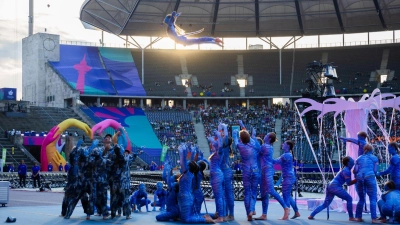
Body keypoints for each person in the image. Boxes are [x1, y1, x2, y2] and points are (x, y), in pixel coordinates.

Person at [308, 156, 357, 221]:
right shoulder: (347, 171)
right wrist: (358, 179)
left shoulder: (345, 169)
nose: (353, 160)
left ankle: (311, 215)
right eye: (351, 159)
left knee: (325, 204)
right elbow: (349, 183)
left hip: (330, 186)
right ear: (348, 163)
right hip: (335, 186)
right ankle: (351, 217)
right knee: (349, 198)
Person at [257, 132, 290, 220]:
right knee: (264, 193)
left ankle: (286, 208)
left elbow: (257, 152)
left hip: (267, 170)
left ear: (269, 139)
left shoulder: (265, 146)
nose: (264, 136)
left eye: (266, 135)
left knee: (270, 190)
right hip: (265, 170)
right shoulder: (269, 147)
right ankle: (264, 214)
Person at [232, 126, 261, 221]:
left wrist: (235, 134)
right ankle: (252, 209)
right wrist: (253, 134)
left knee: (247, 192)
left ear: (241, 139)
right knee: (253, 191)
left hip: (246, 171)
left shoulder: (240, 146)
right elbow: (253, 140)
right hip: (255, 170)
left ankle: (248, 212)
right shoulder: (253, 143)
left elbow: (236, 141)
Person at [354, 144, 381, 223]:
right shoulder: (374, 158)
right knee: (373, 198)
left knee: (361, 199)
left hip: (359, 178)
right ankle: (373, 218)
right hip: (370, 177)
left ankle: (359, 217)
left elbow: (355, 170)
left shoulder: (358, 158)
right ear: (371, 150)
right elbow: (375, 171)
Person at [274, 140, 300, 219]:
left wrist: (266, 157)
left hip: (288, 177)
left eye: (284, 143)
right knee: (288, 196)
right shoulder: (287, 154)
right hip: (289, 177)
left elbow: (275, 161)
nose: (282, 144)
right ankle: (296, 211)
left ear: (288, 146)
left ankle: (286, 215)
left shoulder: (286, 155)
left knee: (285, 196)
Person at [218, 123, 235, 221]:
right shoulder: (227, 147)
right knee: (228, 193)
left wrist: (224, 127)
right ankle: (229, 214)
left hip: (224, 171)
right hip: (227, 170)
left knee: (225, 194)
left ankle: (226, 214)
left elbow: (224, 137)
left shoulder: (224, 145)